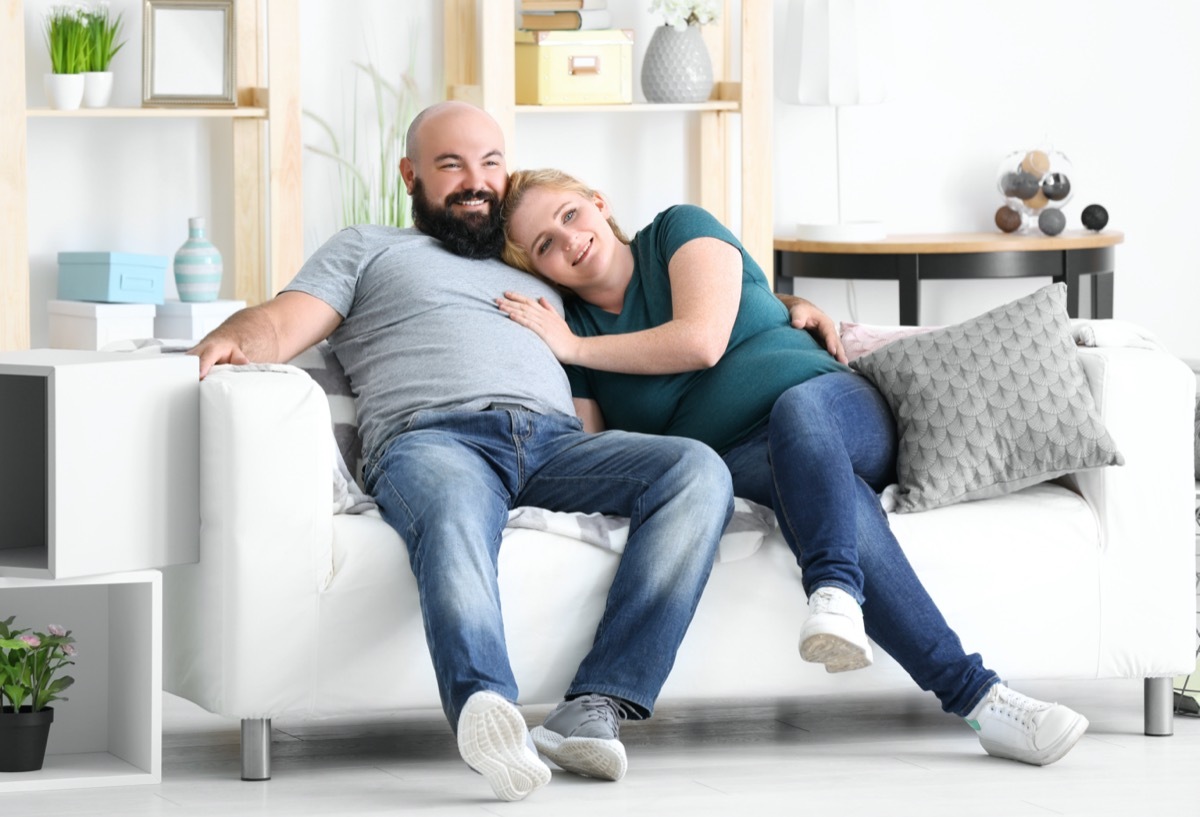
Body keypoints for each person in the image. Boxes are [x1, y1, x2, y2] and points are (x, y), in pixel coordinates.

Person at [188, 102, 739, 802]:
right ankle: (485, 705)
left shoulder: (538, 266)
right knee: (450, 509)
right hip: (431, 438)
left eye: (490, 164)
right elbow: (279, 321)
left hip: (552, 443)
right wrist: (234, 336)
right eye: (451, 165)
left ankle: (595, 705)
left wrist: (791, 306)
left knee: (695, 468)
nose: (475, 181)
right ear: (411, 175)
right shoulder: (368, 247)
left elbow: (637, 304)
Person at [496, 167, 1090, 767]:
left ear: (598, 203)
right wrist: (568, 356)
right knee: (838, 500)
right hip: (747, 460)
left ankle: (833, 587)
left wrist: (574, 348)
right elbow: (603, 452)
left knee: (798, 410)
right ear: (538, 268)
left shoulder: (678, 231)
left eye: (569, 215)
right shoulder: (573, 334)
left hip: (837, 409)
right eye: (544, 244)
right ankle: (985, 702)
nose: (567, 240)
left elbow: (701, 339)